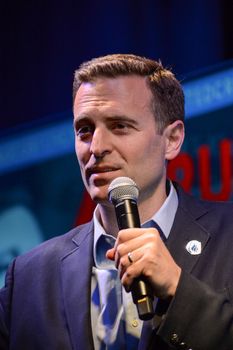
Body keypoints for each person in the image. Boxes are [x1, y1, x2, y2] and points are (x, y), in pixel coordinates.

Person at [0, 54, 233, 350]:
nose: (96, 148)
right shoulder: (28, 277)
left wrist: (177, 287)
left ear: (172, 139)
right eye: (84, 130)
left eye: (120, 126)